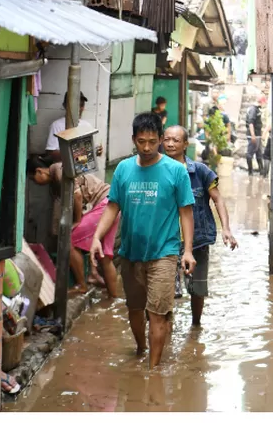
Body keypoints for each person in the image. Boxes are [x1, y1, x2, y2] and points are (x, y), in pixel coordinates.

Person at [90, 113, 196, 369]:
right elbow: (113, 206)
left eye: (152, 141)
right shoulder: (124, 169)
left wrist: (188, 251)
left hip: (165, 253)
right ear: (133, 140)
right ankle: (141, 350)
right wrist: (96, 237)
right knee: (135, 309)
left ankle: (153, 371)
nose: (147, 147)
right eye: (141, 142)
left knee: (157, 314)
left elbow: (186, 211)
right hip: (130, 253)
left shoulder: (176, 171)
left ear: (160, 139)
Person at [163, 126, 238, 326]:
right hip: (166, 241)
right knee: (166, 290)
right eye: (167, 139)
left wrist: (226, 229)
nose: (170, 144)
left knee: (198, 289)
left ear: (185, 144)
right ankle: (164, 332)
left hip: (196, 240)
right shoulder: (155, 171)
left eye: (176, 140)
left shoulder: (201, 172)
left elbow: (218, 199)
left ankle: (196, 327)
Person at [28, 158, 119, 298]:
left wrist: (78, 220)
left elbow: (77, 195)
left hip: (105, 205)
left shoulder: (58, 169)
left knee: (69, 239)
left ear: (39, 171)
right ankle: (114, 298)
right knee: (105, 256)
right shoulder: (56, 178)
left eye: (33, 179)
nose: (36, 183)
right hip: (112, 203)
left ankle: (82, 285)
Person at [43, 91, 103, 164]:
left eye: (81, 105)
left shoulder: (87, 126)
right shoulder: (57, 125)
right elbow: (51, 153)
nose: (79, 108)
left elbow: (89, 154)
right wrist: (76, 154)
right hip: (62, 165)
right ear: (65, 106)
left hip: (83, 165)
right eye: (74, 105)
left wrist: (95, 152)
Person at [246, 93, 266, 175]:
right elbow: (251, 122)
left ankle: (261, 171)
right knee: (250, 153)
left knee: (259, 153)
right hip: (254, 135)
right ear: (262, 101)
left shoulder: (257, 109)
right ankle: (250, 172)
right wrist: (253, 135)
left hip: (257, 135)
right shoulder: (253, 109)